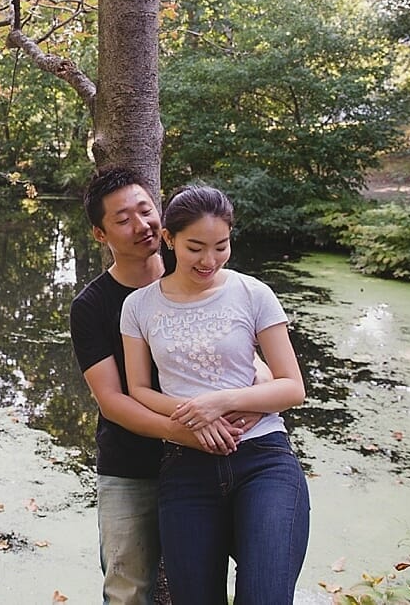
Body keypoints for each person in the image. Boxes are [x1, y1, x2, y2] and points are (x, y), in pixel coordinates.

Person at [70, 168, 261, 605]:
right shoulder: (92, 306)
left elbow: (256, 361)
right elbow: (113, 401)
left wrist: (249, 408)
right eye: (123, 219)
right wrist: (186, 431)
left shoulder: (201, 269)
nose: (142, 225)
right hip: (133, 465)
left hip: (218, 459)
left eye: (146, 209)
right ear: (100, 234)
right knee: (128, 589)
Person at [119, 184, 310, 605]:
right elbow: (139, 390)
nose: (209, 260)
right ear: (168, 239)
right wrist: (195, 416)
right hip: (186, 468)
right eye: (195, 247)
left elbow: (292, 386)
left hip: (263, 461)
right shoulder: (138, 306)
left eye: (221, 246)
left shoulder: (252, 293)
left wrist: (221, 402)